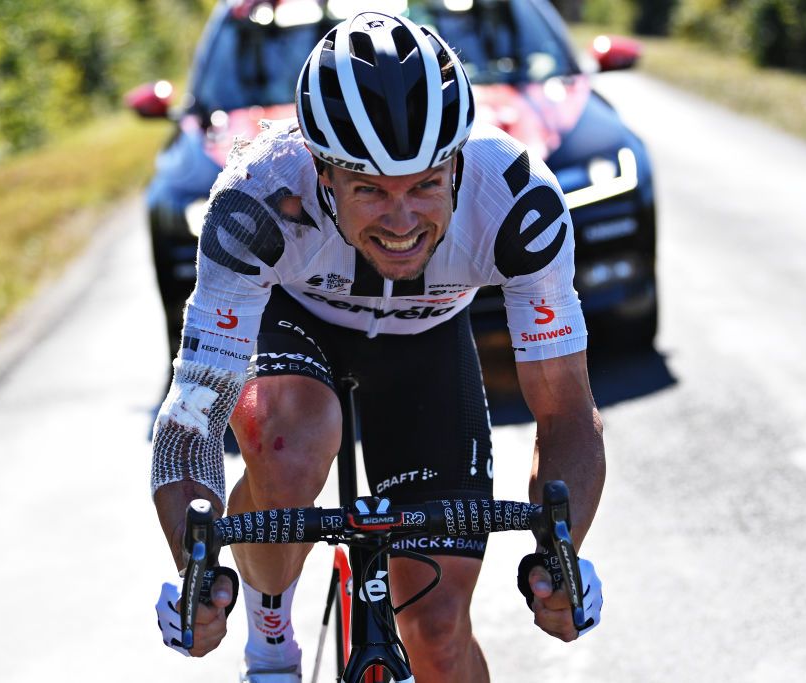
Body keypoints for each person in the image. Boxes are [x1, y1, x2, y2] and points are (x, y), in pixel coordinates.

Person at [152, 11, 605, 682]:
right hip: (297, 323)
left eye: (425, 185)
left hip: (427, 344)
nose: (401, 220)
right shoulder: (256, 196)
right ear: (323, 174)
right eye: (369, 189)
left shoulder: (516, 201)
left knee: (438, 632)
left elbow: (566, 411)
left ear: (456, 162)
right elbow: (190, 421)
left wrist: (561, 554)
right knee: (297, 438)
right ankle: (271, 643)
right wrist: (198, 577)